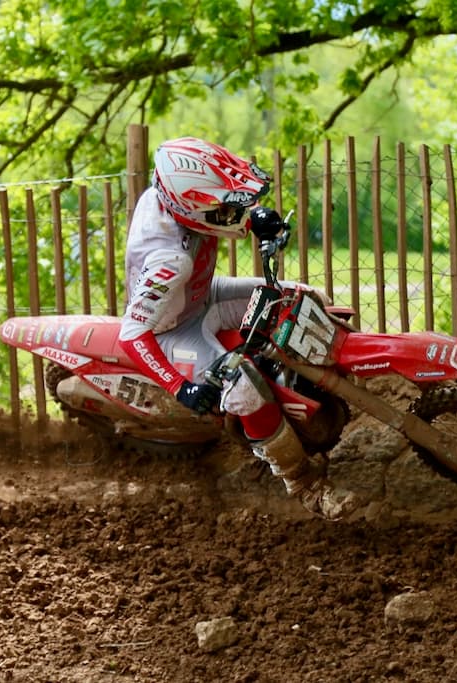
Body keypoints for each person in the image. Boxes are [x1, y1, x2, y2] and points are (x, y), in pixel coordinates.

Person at [116, 136, 359, 521]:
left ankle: (315, 392)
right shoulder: (167, 259)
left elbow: (211, 203)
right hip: (175, 327)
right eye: (228, 210)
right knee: (244, 389)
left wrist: (255, 215)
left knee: (311, 297)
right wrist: (181, 388)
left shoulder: (168, 194)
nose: (233, 214)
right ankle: (305, 483)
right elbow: (131, 333)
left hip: (202, 292)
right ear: (190, 208)